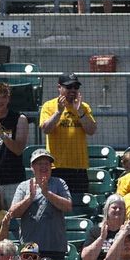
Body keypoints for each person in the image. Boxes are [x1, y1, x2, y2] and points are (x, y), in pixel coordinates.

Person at [7, 149, 71, 260]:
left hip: (55, 247)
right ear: (32, 167)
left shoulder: (59, 183)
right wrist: (29, 198)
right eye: (39, 163)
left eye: (47, 163)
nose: (44, 166)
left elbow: (68, 206)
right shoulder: (24, 186)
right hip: (30, 250)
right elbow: (13, 213)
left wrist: (47, 193)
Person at [38, 72, 97, 200]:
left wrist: (80, 112)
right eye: (69, 87)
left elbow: (91, 130)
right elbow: (46, 129)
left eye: (75, 87)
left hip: (79, 168)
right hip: (57, 167)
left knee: (79, 206)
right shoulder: (49, 106)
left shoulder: (84, 107)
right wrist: (59, 112)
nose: (73, 90)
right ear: (59, 87)